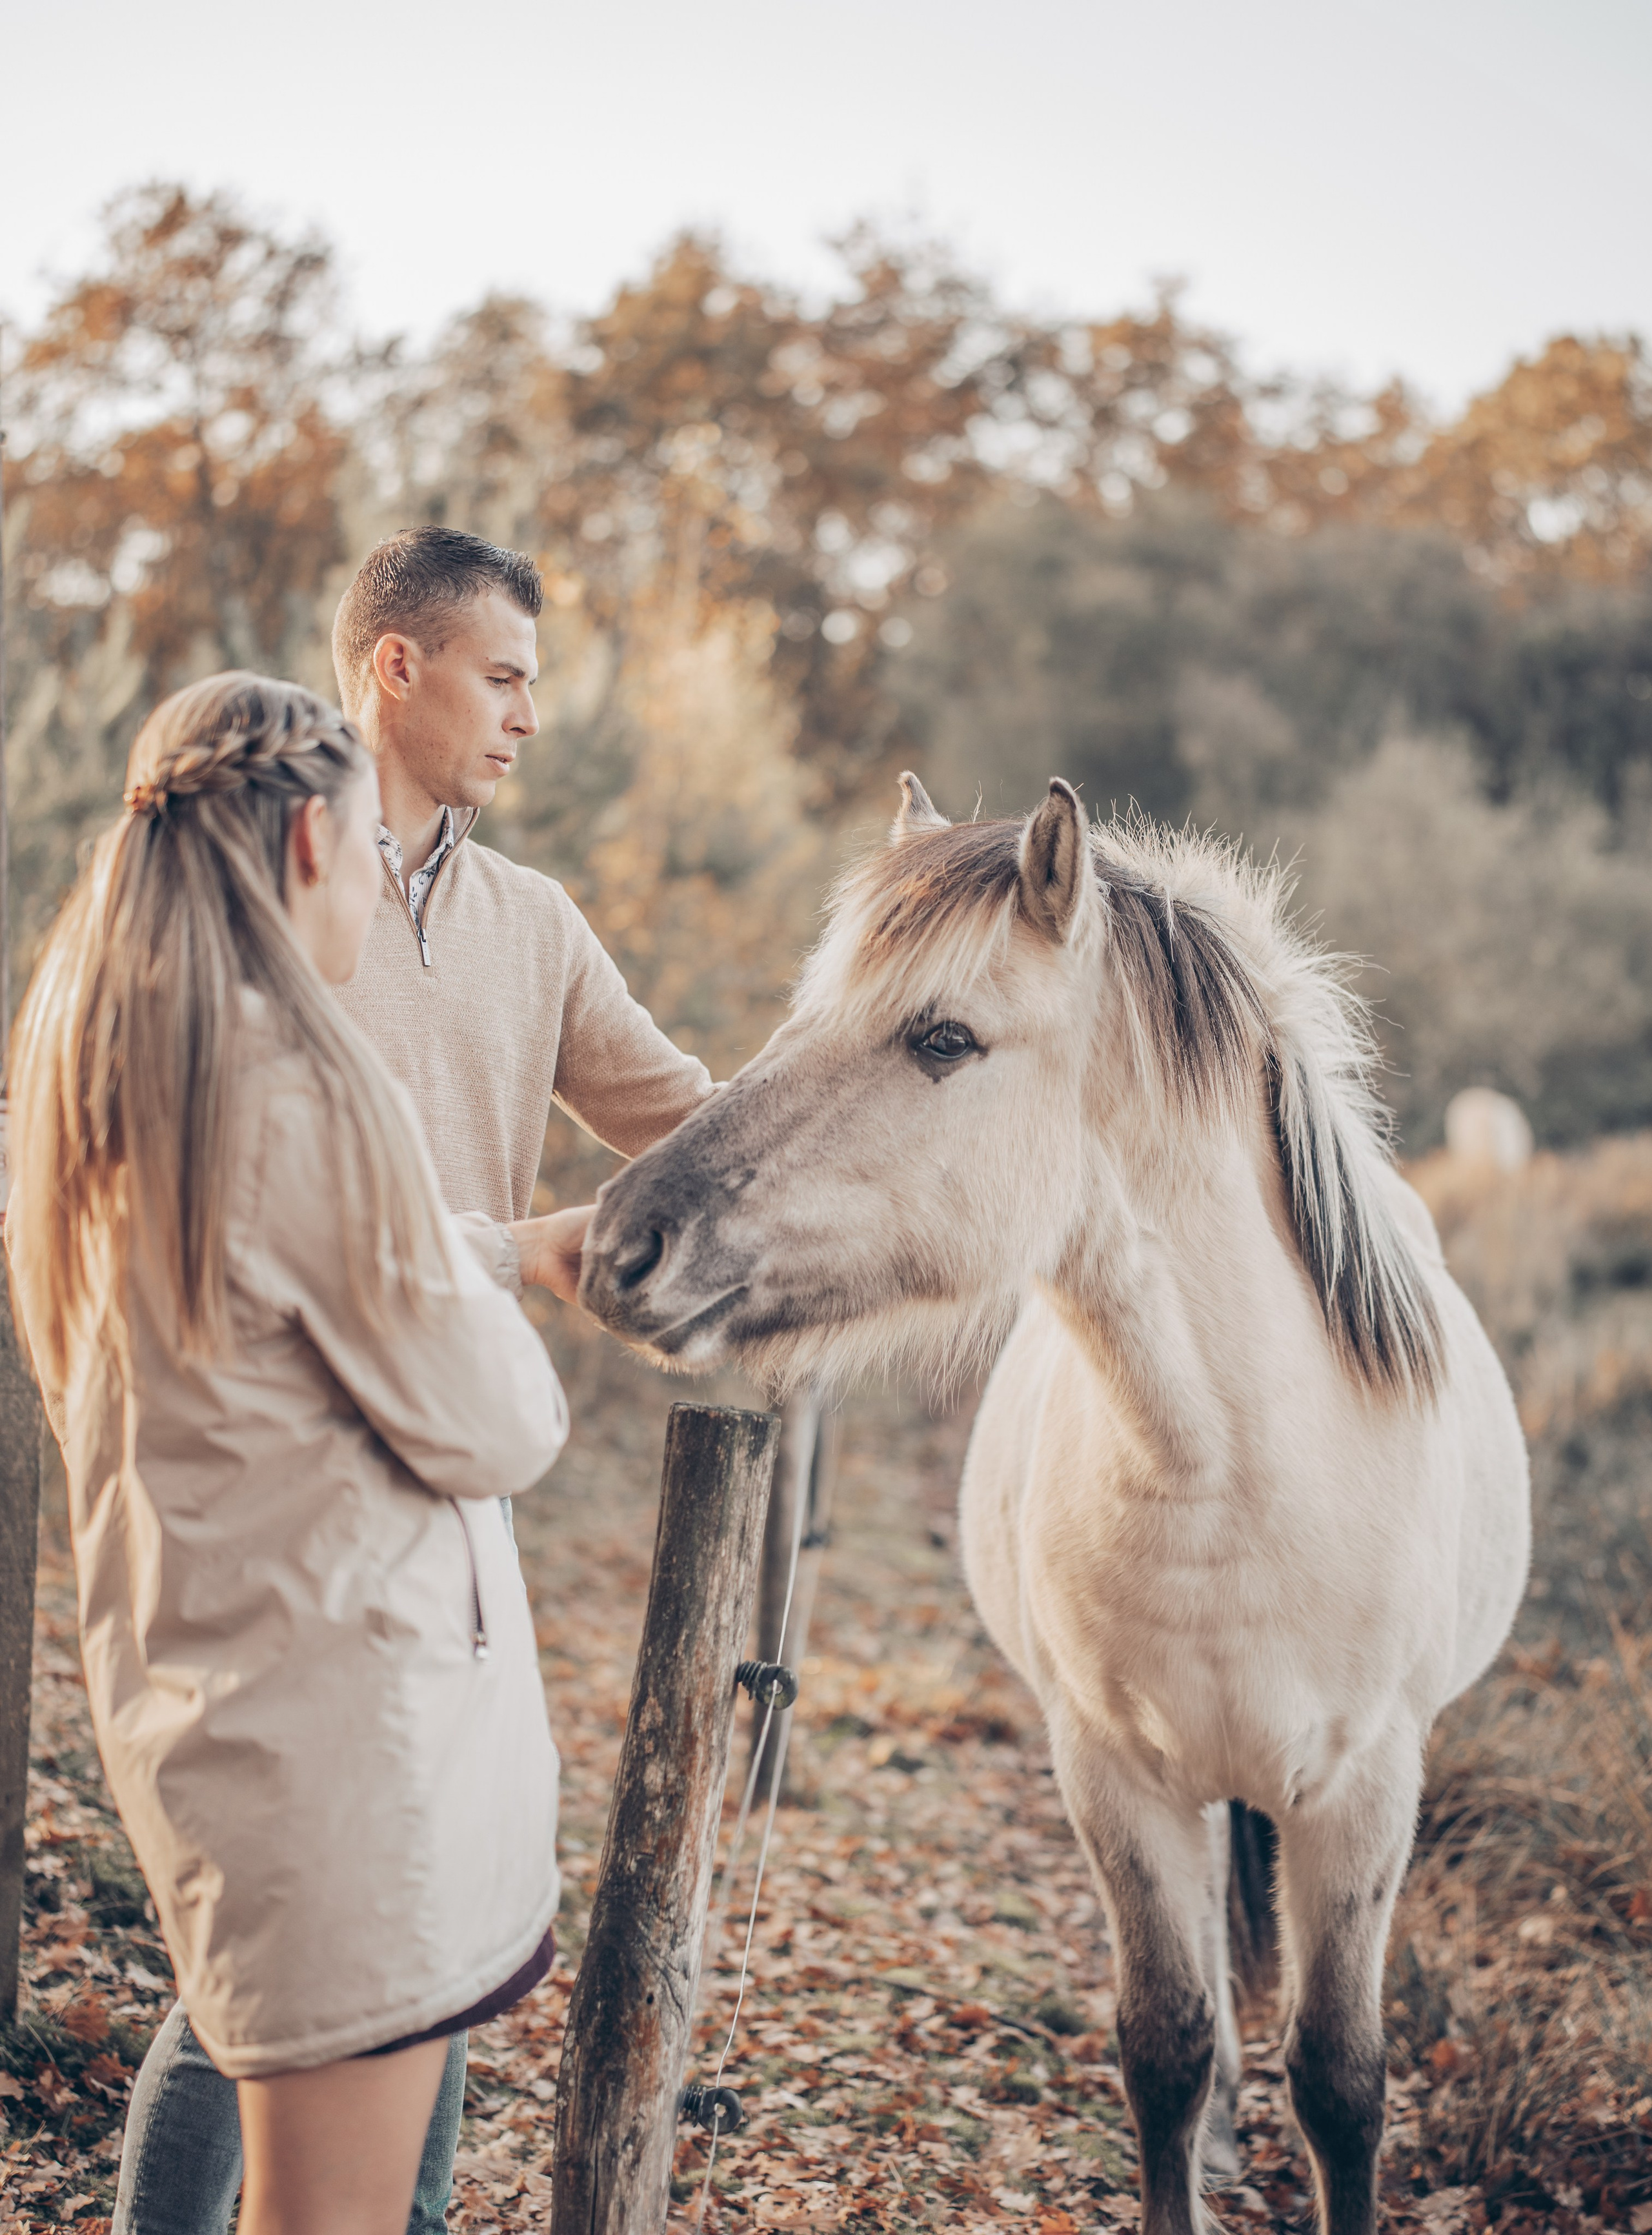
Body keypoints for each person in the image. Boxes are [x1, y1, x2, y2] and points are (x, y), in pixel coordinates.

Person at [106, 529, 714, 2233]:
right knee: (287, 1985)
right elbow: (277, 1192)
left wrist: (870, 1120)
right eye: (504, 676)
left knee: (404, 1960)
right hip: (296, 1495)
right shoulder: (254, 901)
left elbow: (689, 1115)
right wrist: (517, 1256)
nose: (530, 717)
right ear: (398, 666)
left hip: (436, 1500)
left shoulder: (533, 922)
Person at [6, 674, 595, 2235]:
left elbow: (285, 1278)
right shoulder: (308, 1085)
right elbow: (504, 1422)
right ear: (307, 847)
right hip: (352, 1760)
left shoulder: (111, 1066)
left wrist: (487, 1242)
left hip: (224, 1712)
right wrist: (500, 1287)